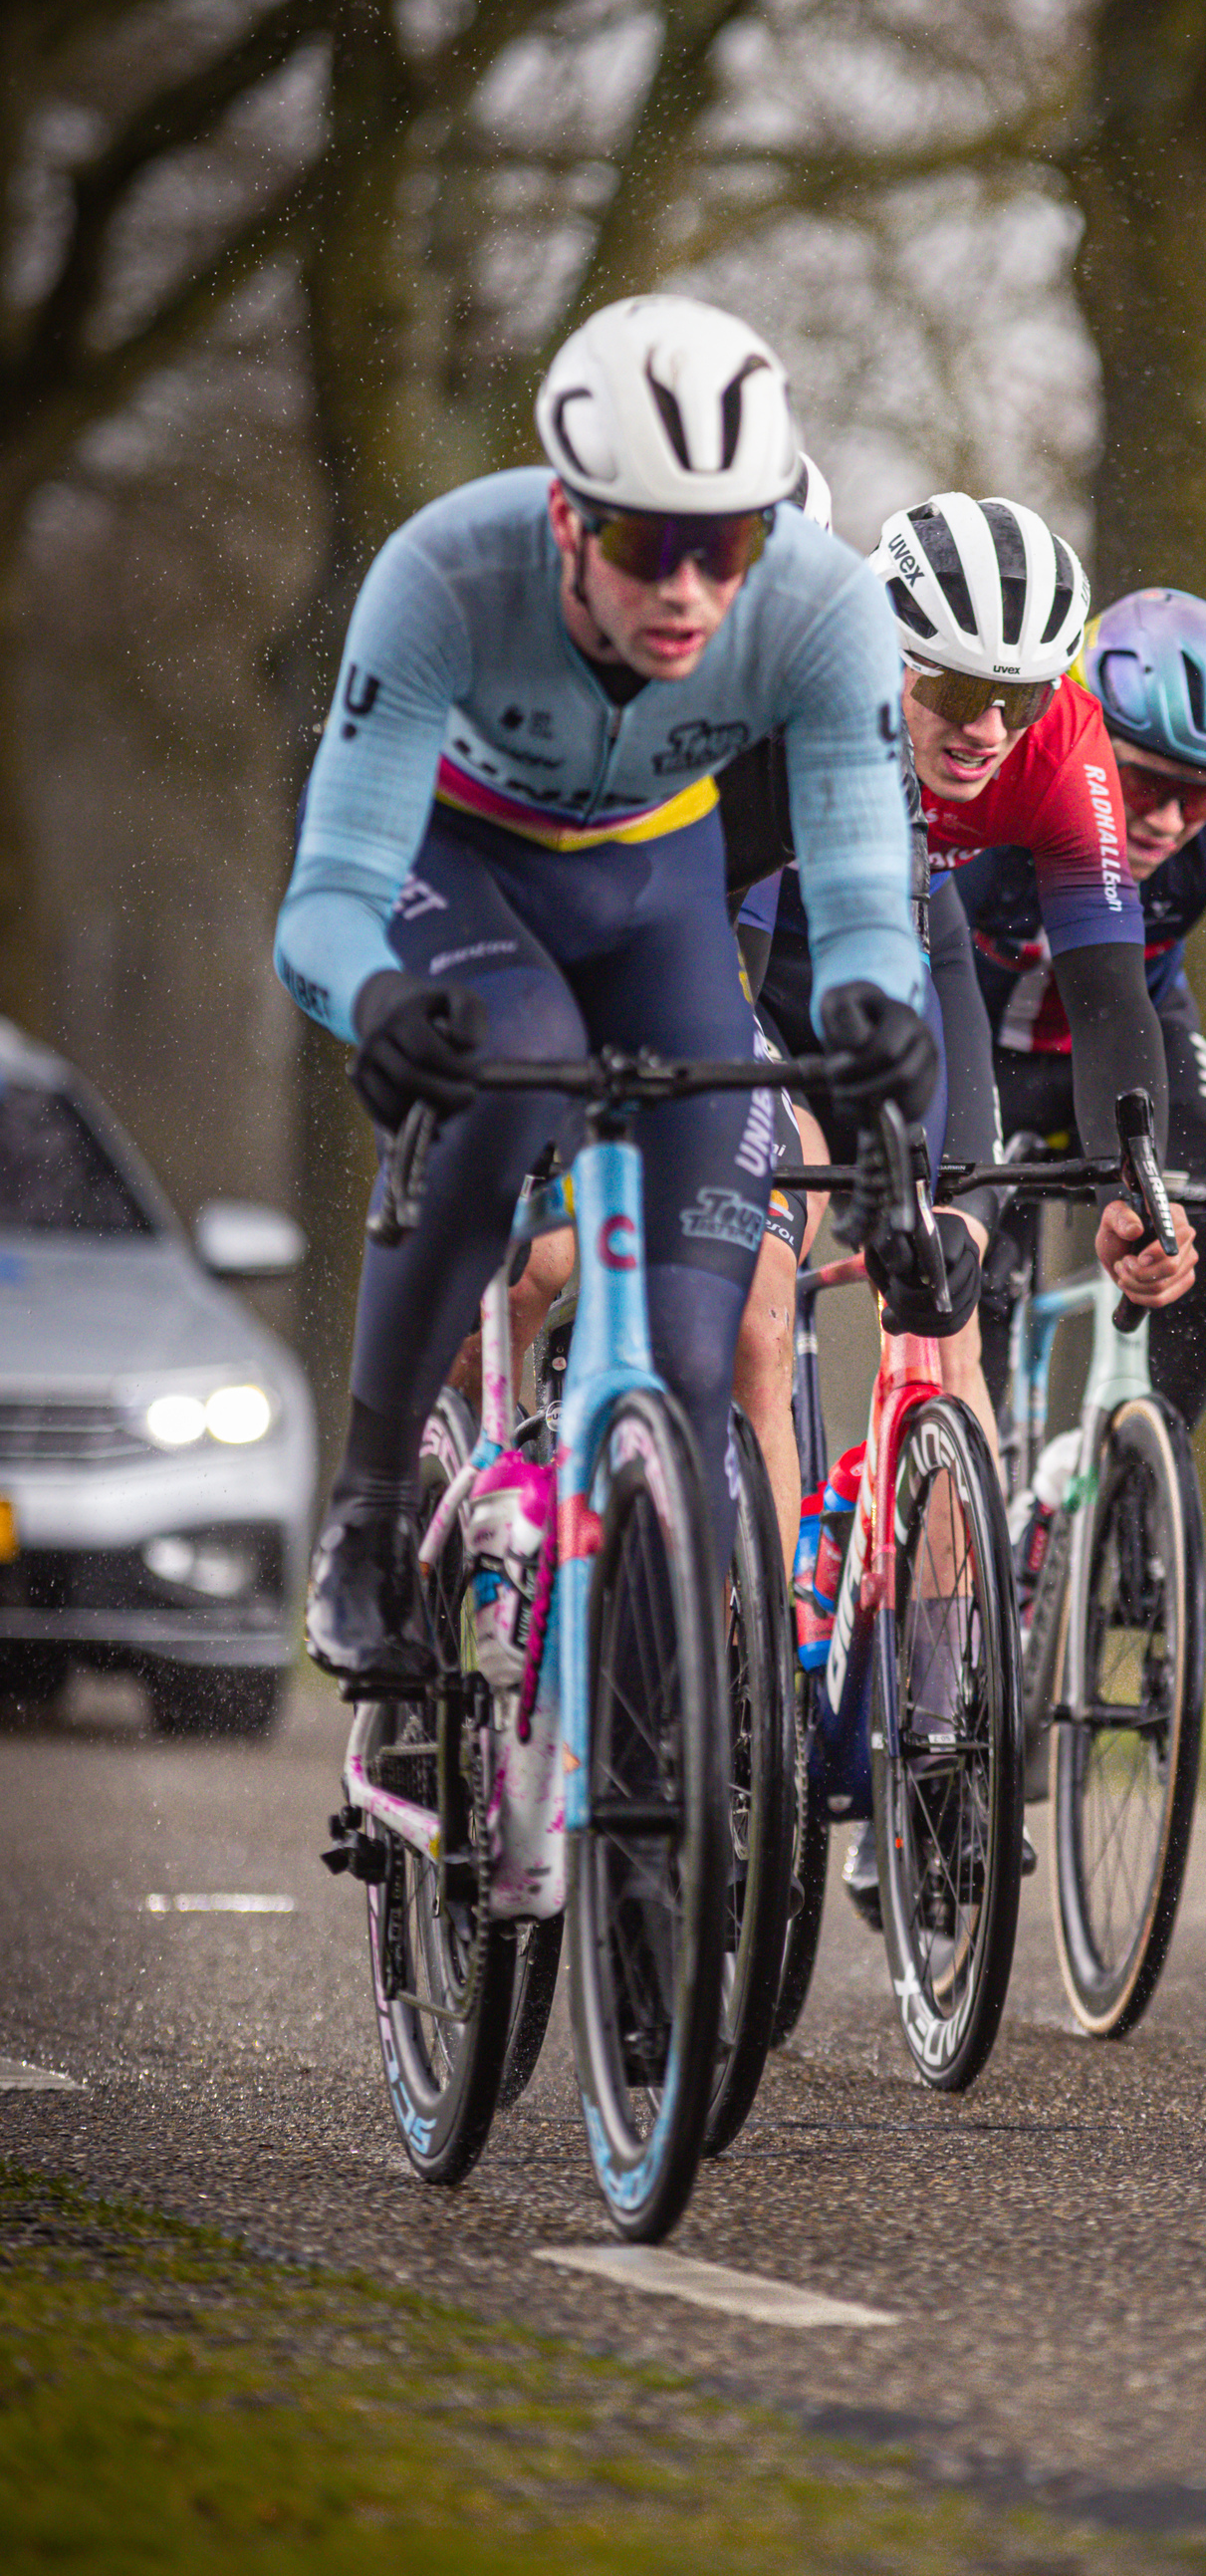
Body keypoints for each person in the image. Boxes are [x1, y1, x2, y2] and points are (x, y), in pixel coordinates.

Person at [276, 293, 932, 1692]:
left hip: (656, 900)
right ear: (567, 519)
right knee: (512, 1066)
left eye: (729, 548)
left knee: (694, 1360)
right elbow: (330, 894)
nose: (692, 592)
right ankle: (373, 1505)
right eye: (649, 546)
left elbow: (871, 895)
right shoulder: (446, 572)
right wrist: (379, 1003)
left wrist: (882, 1013)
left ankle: (644, 1816)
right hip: (466, 874)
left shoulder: (820, 606)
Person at [725, 496, 1203, 1924]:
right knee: (755, 1295)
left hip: (910, 968)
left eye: (1020, 689)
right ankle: (737, 1666)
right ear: (884, 655)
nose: (989, 725)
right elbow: (704, 934)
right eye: (955, 686)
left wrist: (1138, 1187)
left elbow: (1114, 1000)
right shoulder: (796, 692)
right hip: (746, 957)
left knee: (946, 1295)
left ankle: (936, 1729)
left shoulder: (1061, 745)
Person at [951, 585, 1206, 1442]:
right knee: (969, 1279)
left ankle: (1157, 1466)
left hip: (1133, 1039)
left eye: (1204, 796)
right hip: (980, 1049)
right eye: (1145, 782)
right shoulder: (1000, 804)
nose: (1172, 820)